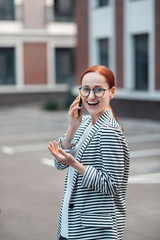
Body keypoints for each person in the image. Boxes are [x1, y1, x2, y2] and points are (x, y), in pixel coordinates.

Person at [48, 65, 130, 240]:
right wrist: (71, 128)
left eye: (98, 90)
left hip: (93, 231)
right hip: (71, 224)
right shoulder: (83, 123)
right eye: (86, 89)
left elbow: (111, 185)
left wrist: (75, 164)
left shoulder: (108, 130)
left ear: (112, 92)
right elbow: (59, 163)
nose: (91, 96)